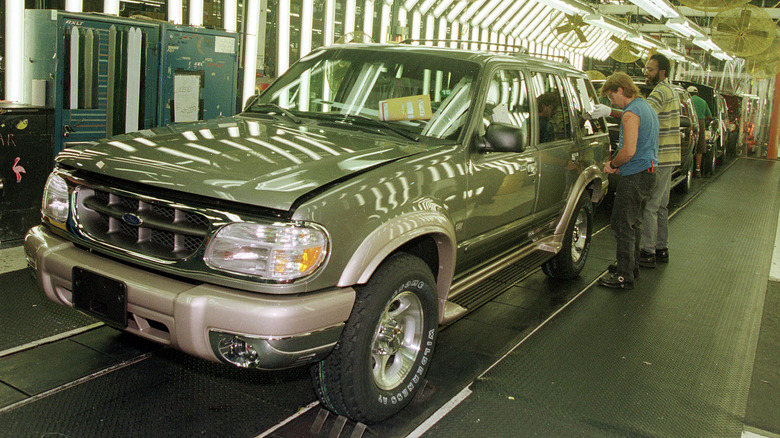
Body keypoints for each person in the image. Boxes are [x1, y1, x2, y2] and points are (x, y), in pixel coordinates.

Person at [589, 72, 659, 290]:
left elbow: (628, 151)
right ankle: (632, 265)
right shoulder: (644, 107)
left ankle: (624, 276)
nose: (611, 101)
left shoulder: (631, 114)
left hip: (635, 175)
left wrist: (613, 165)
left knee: (621, 223)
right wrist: (611, 112)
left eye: (611, 97)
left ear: (620, 90)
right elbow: (628, 116)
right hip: (648, 173)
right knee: (633, 222)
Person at [688, 85, 712, 177]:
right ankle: (698, 170)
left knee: (688, 144)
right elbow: (709, 116)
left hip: (689, 121)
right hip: (700, 123)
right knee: (700, 147)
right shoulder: (703, 102)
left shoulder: (688, 100)